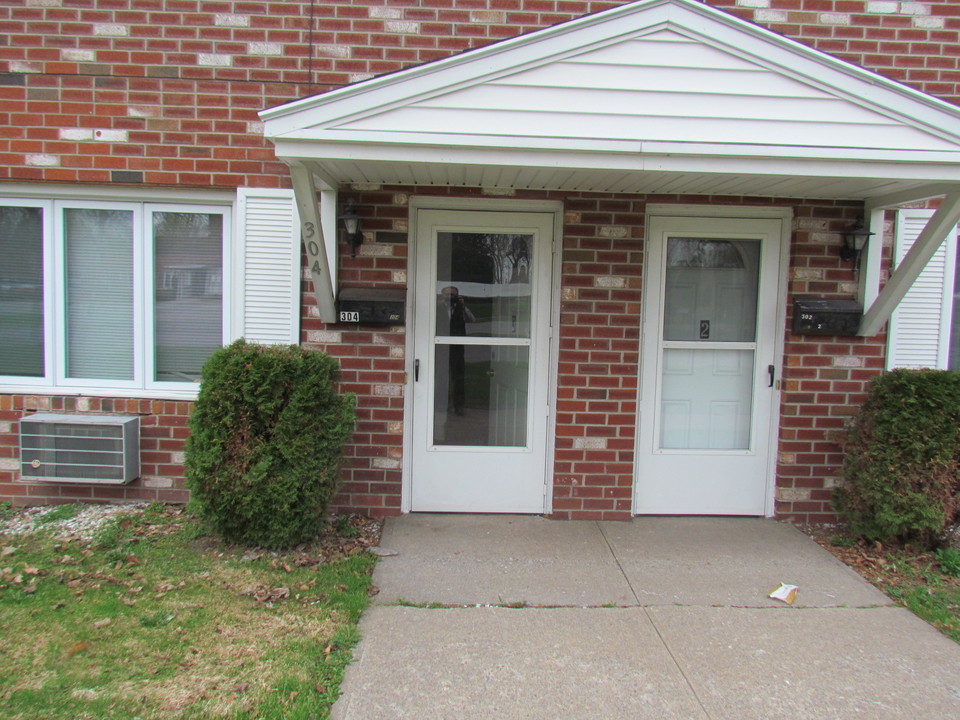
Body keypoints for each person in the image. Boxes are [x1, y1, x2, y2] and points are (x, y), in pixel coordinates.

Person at [439, 286, 474, 415]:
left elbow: (472, 319)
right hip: (441, 347)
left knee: (458, 378)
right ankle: (441, 404)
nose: (450, 297)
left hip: (457, 348)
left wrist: (463, 306)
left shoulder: (460, 309)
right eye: (447, 295)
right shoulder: (438, 308)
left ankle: (459, 406)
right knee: (441, 377)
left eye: (452, 295)